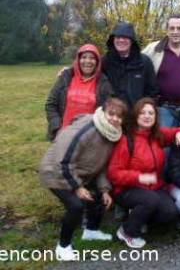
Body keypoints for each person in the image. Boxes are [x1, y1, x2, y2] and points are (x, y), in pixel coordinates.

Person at [39, 97, 127, 261]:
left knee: (99, 196)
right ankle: (63, 246)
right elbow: (62, 160)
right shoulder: (86, 129)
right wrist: (78, 187)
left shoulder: (112, 133)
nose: (115, 118)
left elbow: (101, 166)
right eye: (111, 114)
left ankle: (91, 231)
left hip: (78, 173)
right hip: (55, 171)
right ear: (103, 112)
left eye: (119, 116)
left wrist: (104, 190)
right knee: (76, 205)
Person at [107, 98, 180, 248]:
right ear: (136, 116)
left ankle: (140, 220)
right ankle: (127, 232)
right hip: (126, 189)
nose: (147, 116)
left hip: (153, 187)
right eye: (142, 112)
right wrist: (139, 177)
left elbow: (178, 131)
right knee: (150, 200)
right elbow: (114, 174)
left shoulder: (156, 135)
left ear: (156, 117)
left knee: (170, 213)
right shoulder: (126, 140)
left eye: (151, 113)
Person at [45, 44, 113, 140]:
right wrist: (57, 127)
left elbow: (106, 110)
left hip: (89, 137)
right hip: (63, 135)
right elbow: (51, 104)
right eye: (84, 57)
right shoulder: (66, 77)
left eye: (92, 58)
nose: (88, 61)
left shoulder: (103, 83)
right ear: (78, 60)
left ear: (97, 62)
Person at [143, 15, 180, 126]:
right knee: (165, 139)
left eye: (179, 28)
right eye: (172, 28)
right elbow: (137, 62)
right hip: (164, 107)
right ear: (167, 31)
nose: (175, 32)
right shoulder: (153, 49)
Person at [101, 21, 158, 108]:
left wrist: (142, 111)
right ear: (113, 40)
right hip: (112, 114)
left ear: (132, 41)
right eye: (118, 37)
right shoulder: (105, 61)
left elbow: (152, 92)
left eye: (125, 37)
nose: (121, 40)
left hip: (136, 115)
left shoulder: (144, 62)